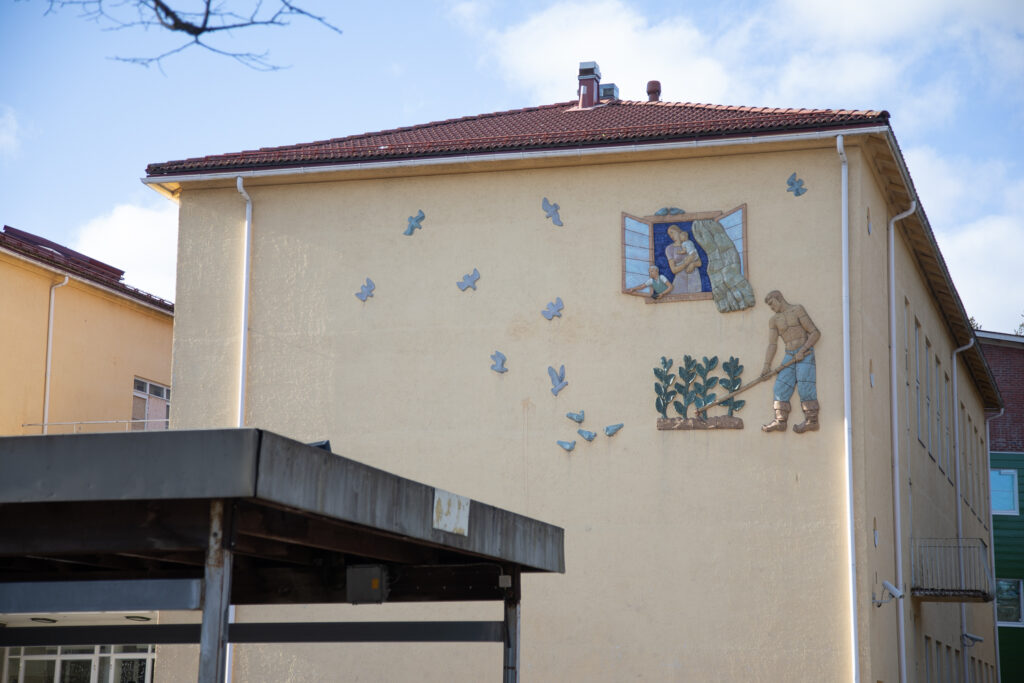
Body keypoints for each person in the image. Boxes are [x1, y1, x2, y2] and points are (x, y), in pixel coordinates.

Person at [760, 290, 820, 433]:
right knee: (780, 387)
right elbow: (772, 345)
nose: (771, 307)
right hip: (789, 354)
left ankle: (812, 420)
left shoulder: (797, 310)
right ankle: (780, 421)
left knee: (805, 385)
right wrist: (766, 366)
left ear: (779, 298)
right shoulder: (774, 320)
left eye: (772, 303)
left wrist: (803, 350)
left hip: (804, 353)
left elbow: (815, 333)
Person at [665, 224, 703, 293]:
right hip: (680, 279)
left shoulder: (689, 244)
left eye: (672, 232)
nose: (671, 236)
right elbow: (673, 270)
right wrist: (686, 263)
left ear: (678, 231)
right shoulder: (669, 248)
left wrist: (693, 264)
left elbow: (699, 263)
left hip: (693, 278)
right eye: (669, 235)